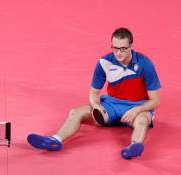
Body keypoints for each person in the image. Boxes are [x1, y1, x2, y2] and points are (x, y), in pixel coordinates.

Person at [27, 27, 161, 159]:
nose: (118, 53)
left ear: (131, 46)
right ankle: (55, 140)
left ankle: (134, 147)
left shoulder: (145, 64)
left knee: (142, 121)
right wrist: (96, 106)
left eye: (123, 48)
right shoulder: (104, 62)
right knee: (76, 112)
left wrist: (136, 110)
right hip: (111, 106)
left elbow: (155, 100)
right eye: (115, 48)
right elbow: (93, 93)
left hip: (136, 107)